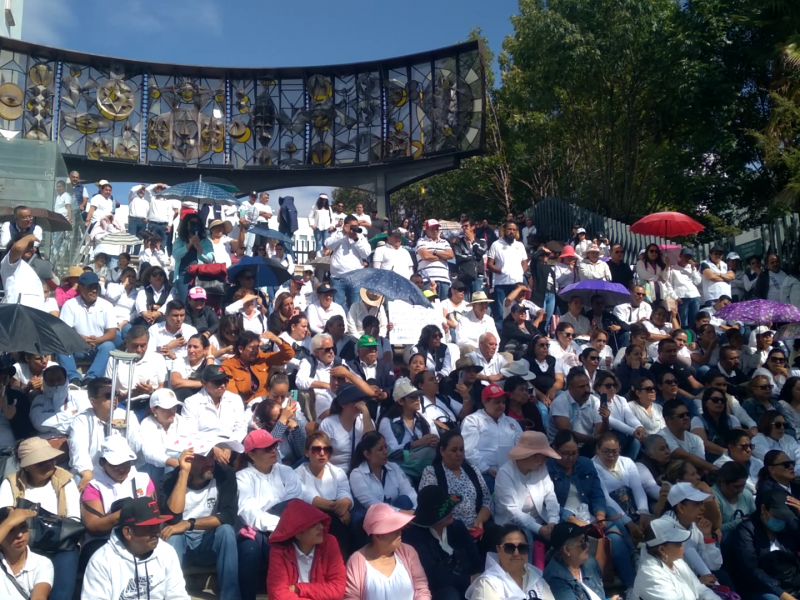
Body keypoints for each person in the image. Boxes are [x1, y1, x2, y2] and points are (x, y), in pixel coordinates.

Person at [235, 429, 311, 600]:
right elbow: (248, 512)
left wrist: (282, 526)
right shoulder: (242, 478)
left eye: (274, 446)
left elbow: (295, 503)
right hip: (259, 530)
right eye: (267, 448)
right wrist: (280, 526)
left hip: (286, 528)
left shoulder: (286, 471)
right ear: (252, 455)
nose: (273, 450)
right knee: (250, 549)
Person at [0, 438, 78, 600]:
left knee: (69, 555)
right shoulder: (10, 483)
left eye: (52, 460)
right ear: (26, 466)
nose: (49, 465)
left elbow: (75, 520)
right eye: (41, 463)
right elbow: (5, 518)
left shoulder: (66, 480)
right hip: (23, 543)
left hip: (60, 544)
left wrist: (33, 520)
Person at [160, 443, 240, 600]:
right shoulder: (169, 480)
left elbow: (228, 516)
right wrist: (183, 473)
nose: (210, 462)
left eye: (212, 456)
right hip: (181, 543)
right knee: (172, 534)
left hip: (208, 542)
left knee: (226, 531)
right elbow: (172, 519)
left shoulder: (225, 474)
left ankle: (230, 597)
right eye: (203, 458)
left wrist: (189, 523)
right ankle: (168, 595)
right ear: (188, 459)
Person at [80, 497, 189, 600]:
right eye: (149, 527)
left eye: (157, 526)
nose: (156, 532)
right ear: (128, 532)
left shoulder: (167, 552)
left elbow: (177, 596)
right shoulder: (101, 561)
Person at [79, 435, 155, 570]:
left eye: (126, 464)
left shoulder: (143, 479)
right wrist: (127, 513)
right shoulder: (93, 486)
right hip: (103, 540)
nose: (122, 469)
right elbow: (93, 527)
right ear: (103, 463)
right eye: (116, 465)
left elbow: (152, 513)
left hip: (140, 536)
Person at [402, 487, 482, 600]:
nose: (450, 511)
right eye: (444, 510)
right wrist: (468, 579)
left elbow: (475, 558)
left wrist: (478, 578)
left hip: (470, 584)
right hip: (437, 591)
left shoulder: (458, 527)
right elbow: (431, 576)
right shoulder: (414, 537)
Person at [494, 431, 560, 567]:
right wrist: (540, 529)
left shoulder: (541, 469)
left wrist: (553, 521)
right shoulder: (505, 473)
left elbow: (550, 496)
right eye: (541, 456)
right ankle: (525, 576)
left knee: (565, 528)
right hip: (510, 523)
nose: (544, 461)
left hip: (542, 518)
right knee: (525, 538)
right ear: (529, 455)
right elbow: (513, 512)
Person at [723, 488, 800, 600]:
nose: (781, 519)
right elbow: (751, 569)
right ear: (763, 509)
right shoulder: (746, 531)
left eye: (785, 516)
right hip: (760, 587)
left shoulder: (788, 524)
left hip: (791, 581)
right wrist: (782, 594)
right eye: (778, 516)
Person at [344, 502, 431, 600]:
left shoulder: (408, 552)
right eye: (394, 529)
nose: (400, 531)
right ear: (378, 536)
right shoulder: (356, 561)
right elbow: (351, 597)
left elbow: (421, 588)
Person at [419, 429, 495, 540]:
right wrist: (459, 527)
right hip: (448, 529)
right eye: (454, 450)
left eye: (461, 449)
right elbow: (431, 507)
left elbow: (487, 500)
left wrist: (479, 521)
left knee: (501, 536)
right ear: (442, 451)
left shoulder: (473, 470)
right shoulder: (432, 472)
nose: (459, 454)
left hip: (476, 527)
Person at [68, 377, 142, 490]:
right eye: (108, 395)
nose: (114, 398)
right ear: (93, 401)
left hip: (121, 471)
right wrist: (87, 473)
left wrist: (127, 428)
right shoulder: (81, 420)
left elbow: (137, 450)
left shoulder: (128, 416)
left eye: (116, 394)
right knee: (79, 478)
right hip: (94, 472)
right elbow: (79, 451)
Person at [266, 498, 346, 600]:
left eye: (320, 522)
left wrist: (299, 588)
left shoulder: (330, 543)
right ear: (298, 533)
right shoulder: (279, 551)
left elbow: (338, 589)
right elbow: (278, 595)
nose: (321, 527)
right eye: (314, 524)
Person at [294, 431, 354, 554]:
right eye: (316, 449)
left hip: (333, 515)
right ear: (306, 452)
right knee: (337, 522)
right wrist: (337, 508)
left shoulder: (337, 472)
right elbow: (306, 497)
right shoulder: (297, 473)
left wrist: (345, 503)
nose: (322, 453)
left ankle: (342, 564)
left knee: (344, 522)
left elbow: (344, 492)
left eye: (326, 449)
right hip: (308, 517)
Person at [55, 272, 118, 387]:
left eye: (96, 287)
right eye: (90, 287)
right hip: (76, 346)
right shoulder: (70, 305)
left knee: (109, 346)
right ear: (81, 287)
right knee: (61, 345)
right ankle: (73, 378)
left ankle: (91, 378)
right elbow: (64, 331)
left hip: (97, 347)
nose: (94, 290)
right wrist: (80, 338)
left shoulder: (107, 305)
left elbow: (112, 333)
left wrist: (98, 340)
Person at [632, 519, 718, 600]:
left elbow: (701, 590)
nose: (682, 544)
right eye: (678, 542)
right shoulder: (650, 575)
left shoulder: (676, 561)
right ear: (662, 549)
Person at [465, 524, 555, 600]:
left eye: (522, 548)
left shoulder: (536, 579)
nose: (516, 553)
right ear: (498, 549)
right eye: (509, 548)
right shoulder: (488, 584)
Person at [461, 384, 523, 487]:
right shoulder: (472, 420)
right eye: (497, 402)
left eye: (503, 402)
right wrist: (486, 469)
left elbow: (521, 446)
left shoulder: (512, 422)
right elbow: (469, 451)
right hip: (483, 473)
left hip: (511, 471)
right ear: (485, 402)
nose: (501, 405)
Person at [221, 330, 294, 405]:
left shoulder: (263, 359)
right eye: (252, 347)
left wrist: (276, 339)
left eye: (257, 347)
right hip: (246, 407)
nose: (255, 350)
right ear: (240, 349)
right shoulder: (228, 365)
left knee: (293, 406)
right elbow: (233, 395)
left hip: (268, 403)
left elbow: (289, 355)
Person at [349, 431, 417, 511]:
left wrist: (415, 510)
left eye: (385, 447)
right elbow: (372, 504)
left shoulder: (394, 467)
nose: (385, 452)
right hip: (373, 518)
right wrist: (400, 512)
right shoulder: (357, 474)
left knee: (404, 500)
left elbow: (409, 492)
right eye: (380, 449)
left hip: (397, 516)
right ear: (367, 454)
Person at [547, 369, 610, 454]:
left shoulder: (595, 401)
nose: (587, 389)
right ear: (570, 388)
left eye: (588, 385)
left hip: (586, 445)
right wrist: (594, 438)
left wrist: (605, 420)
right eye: (581, 387)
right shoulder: (560, 402)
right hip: (561, 447)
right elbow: (566, 433)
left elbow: (601, 433)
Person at [542, 522, 609, 600]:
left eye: (586, 539)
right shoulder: (555, 579)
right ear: (567, 550)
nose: (588, 545)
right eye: (582, 542)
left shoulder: (590, 563)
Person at [0, 506, 53, 600]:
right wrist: (9, 522)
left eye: (23, 527)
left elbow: (39, 597)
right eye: (11, 530)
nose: (20, 535)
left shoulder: (42, 563)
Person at [138, 389, 190, 479]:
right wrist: (174, 462)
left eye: (174, 407)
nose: (172, 411)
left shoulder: (181, 421)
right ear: (154, 410)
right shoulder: (147, 424)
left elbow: (191, 443)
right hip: (151, 468)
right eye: (167, 408)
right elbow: (150, 454)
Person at [326, 215, 372, 308]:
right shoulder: (338, 233)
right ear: (346, 225)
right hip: (338, 277)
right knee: (337, 307)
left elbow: (367, 253)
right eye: (352, 226)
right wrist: (343, 233)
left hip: (355, 277)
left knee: (355, 307)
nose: (355, 228)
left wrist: (356, 239)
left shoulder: (360, 236)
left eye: (356, 226)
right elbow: (328, 245)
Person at [659, 399, 717, 473]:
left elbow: (701, 466)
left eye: (687, 414)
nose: (686, 418)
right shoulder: (661, 437)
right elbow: (685, 456)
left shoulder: (696, 439)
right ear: (667, 420)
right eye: (681, 416)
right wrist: (715, 469)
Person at [172, 213, 215, 302]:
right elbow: (176, 255)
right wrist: (189, 244)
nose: (195, 226)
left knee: (198, 302)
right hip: (183, 275)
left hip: (200, 275)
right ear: (187, 225)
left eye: (197, 223)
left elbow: (210, 259)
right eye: (192, 223)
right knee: (184, 302)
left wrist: (198, 246)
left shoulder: (206, 241)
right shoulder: (180, 240)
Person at [690, 387, 741, 462]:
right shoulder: (697, 420)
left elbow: (740, 439)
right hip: (712, 460)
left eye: (723, 400)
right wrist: (727, 452)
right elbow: (702, 442)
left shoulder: (732, 419)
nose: (719, 403)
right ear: (705, 402)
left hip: (734, 457)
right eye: (715, 400)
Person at [711, 461, 755, 537]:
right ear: (723, 482)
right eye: (736, 487)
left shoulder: (747, 494)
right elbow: (714, 529)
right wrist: (741, 521)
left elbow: (755, 519)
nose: (740, 490)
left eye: (743, 486)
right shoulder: (712, 497)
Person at [713, 428, 762, 494]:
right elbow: (750, 488)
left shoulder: (757, 461)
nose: (749, 450)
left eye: (750, 446)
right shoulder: (721, 465)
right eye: (744, 446)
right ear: (731, 447)